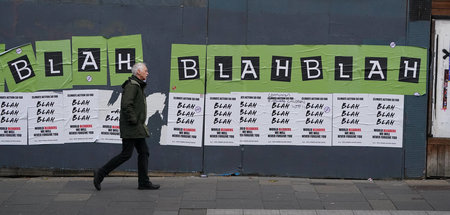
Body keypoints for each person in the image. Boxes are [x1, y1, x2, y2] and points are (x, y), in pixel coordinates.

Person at [93, 62, 160, 190]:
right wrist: (134, 120)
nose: (147, 73)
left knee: (144, 152)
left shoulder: (137, 85)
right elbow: (126, 104)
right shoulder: (132, 86)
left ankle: (143, 182)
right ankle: (100, 173)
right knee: (126, 154)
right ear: (138, 72)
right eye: (145, 70)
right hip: (132, 126)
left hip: (136, 126)